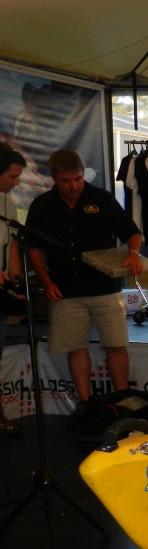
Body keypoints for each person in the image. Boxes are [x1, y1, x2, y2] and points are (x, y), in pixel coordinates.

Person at [25, 148, 145, 423]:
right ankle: (85, 403)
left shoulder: (101, 199)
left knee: (116, 344)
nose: (73, 185)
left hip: (105, 287)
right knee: (75, 347)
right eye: (66, 180)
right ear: (54, 178)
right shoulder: (42, 205)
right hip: (65, 289)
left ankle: (123, 399)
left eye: (78, 179)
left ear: (82, 174)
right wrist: (47, 282)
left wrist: (134, 253)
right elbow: (34, 249)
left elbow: (132, 233)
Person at [0, 148, 27, 434]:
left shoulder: (7, 201)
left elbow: (12, 245)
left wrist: (17, 285)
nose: (17, 182)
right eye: (12, 176)